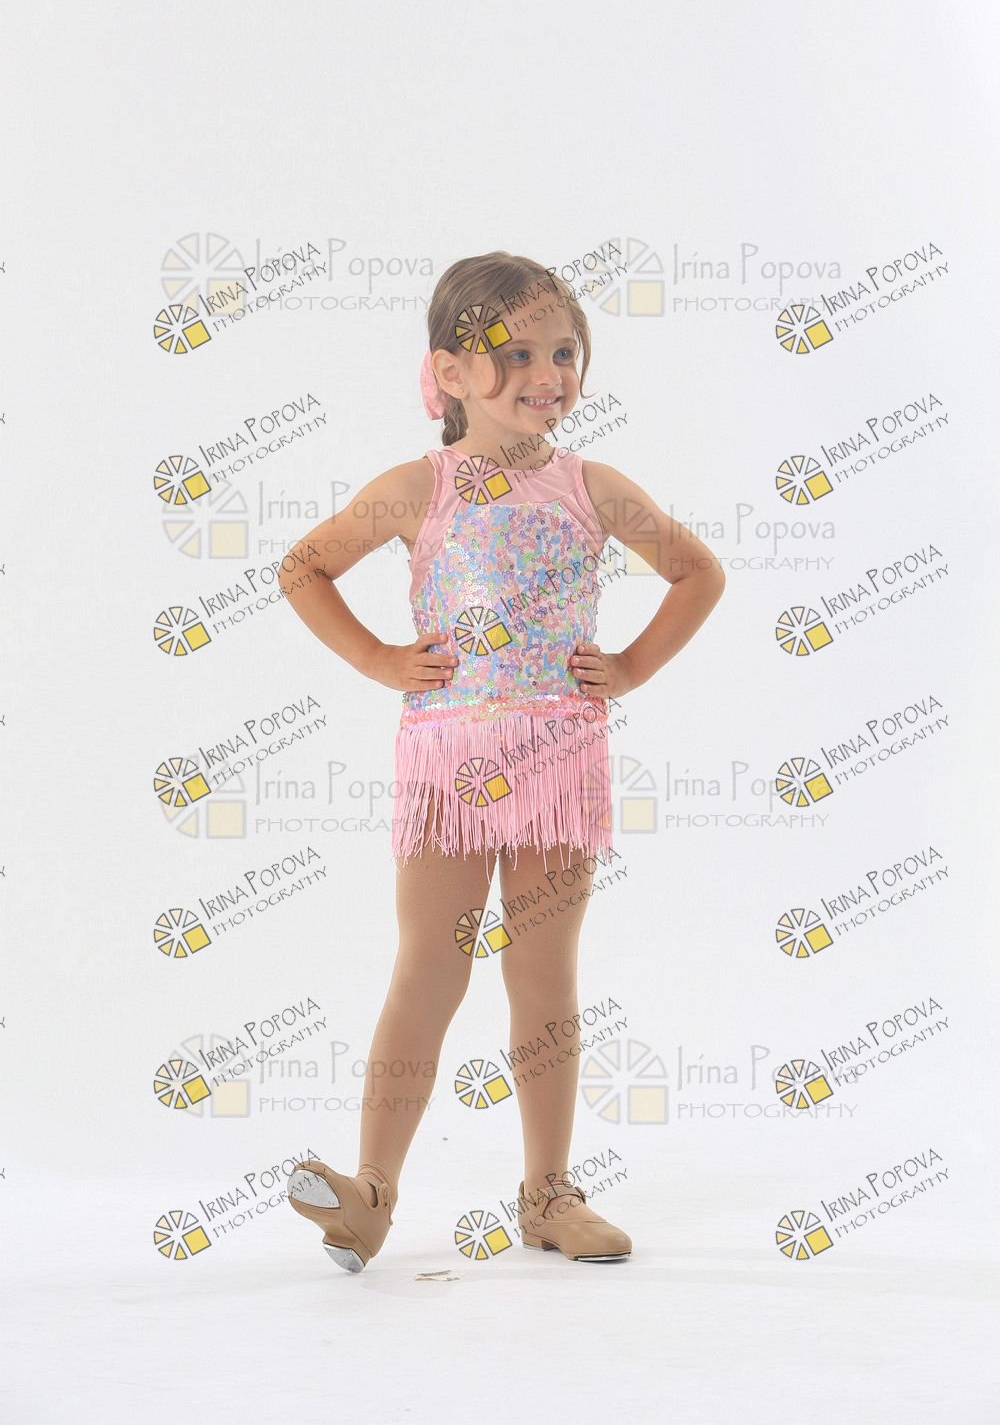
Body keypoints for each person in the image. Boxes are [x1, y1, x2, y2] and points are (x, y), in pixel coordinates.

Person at [278, 250, 725, 1270]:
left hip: (559, 761)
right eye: (516, 353)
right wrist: (381, 659)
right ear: (449, 371)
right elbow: (304, 566)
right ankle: (372, 1192)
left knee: (542, 974)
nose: (547, 373)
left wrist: (629, 667)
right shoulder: (417, 489)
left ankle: (548, 1192)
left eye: (564, 352)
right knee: (428, 966)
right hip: (448, 764)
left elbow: (698, 570)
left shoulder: (592, 487)